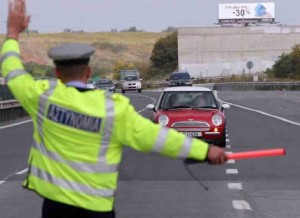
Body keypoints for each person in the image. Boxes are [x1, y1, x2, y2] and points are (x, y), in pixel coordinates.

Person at [1, 0, 227, 217]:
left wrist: (12, 34)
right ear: (88, 73)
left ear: (58, 73)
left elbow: (12, 71)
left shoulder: (42, 98)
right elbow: (158, 138)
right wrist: (205, 151)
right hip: (97, 209)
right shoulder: (113, 110)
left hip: (55, 208)